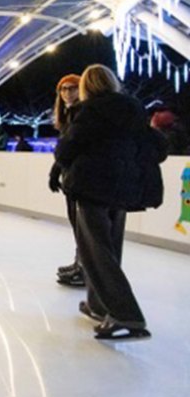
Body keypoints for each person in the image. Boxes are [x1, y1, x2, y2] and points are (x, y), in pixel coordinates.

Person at [55, 64, 166, 341]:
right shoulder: (133, 109)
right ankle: (98, 305)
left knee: (95, 252)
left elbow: (66, 148)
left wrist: (65, 163)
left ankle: (127, 315)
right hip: (124, 190)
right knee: (109, 248)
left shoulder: (90, 111)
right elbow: (156, 146)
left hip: (92, 188)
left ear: (86, 88)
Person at [49, 74, 84, 287]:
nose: (67, 93)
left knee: (83, 225)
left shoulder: (82, 113)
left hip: (82, 178)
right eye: (63, 89)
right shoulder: (68, 115)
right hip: (71, 176)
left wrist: (57, 169)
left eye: (72, 88)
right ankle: (79, 262)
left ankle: (84, 268)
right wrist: (56, 171)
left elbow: (72, 147)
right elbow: (65, 149)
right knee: (76, 222)